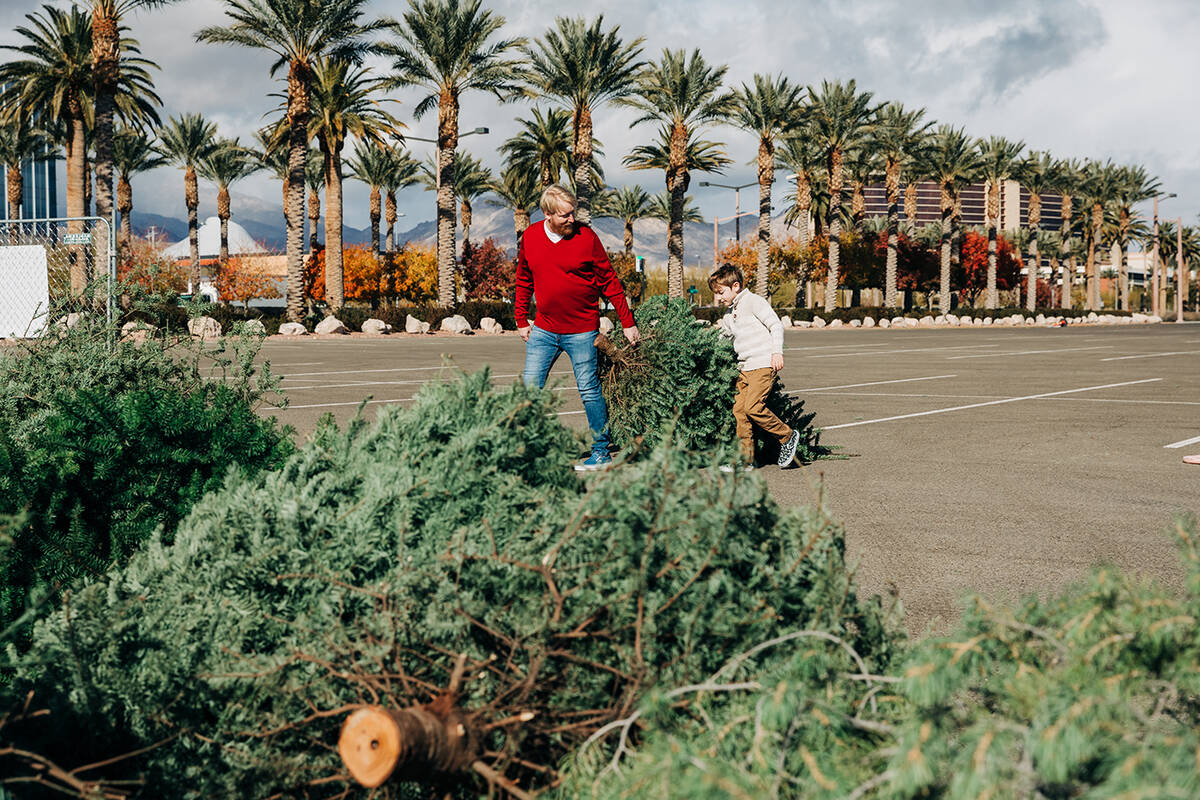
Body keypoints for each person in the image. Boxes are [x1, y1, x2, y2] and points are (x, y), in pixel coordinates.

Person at [515, 185, 640, 471]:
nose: (572, 220)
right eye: (565, 215)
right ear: (547, 214)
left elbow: (609, 281)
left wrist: (628, 322)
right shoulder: (531, 237)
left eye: (573, 213)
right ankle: (524, 450)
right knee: (529, 391)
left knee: (589, 390)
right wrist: (521, 319)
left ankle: (601, 451)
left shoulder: (587, 238)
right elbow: (524, 279)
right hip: (544, 330)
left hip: (582, 331)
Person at [709, 264, 801, 469]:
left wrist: (777, 351)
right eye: (716, 294)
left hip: (762, 364)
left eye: (721, 292)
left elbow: (775, 325)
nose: (719, 298)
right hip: (745, 368)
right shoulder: (729, 314)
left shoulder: (753, 302)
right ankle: (746, 460)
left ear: (736, 286)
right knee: (740, 412)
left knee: (753, 407)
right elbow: (723, 336)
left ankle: (787, 436)